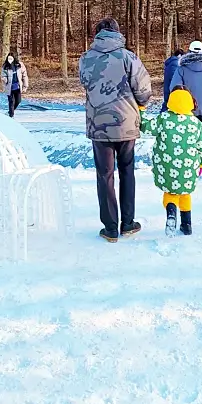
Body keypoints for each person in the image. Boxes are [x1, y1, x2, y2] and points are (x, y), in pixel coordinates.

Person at [79, 17, 152, 242]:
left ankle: (110, 228)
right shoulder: (129, 57)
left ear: (97, 34)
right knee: (127, 171)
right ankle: (128, 223)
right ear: (117, 33)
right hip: (126, 122)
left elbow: (84, 82)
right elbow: (143, 89)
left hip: (98, 124)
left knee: (105, 175)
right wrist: (140, 104)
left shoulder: (85, 58)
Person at [141, 87, 202, 236]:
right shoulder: (196, 124)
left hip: (166, 166)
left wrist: (141, 111)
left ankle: (171, 213)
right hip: (188, 167)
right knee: (185, 194)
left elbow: (145, 126)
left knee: (170, 192)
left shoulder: (163, 119)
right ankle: (187, 224)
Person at [169, 39, 202, 177]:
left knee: (187, 141)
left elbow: (174, 89)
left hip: (187, 112)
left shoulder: (181, 69)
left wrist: (182, 105)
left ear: (189, 52)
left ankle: (189, 169)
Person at [1, 52, 28, 117]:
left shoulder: (20, 65)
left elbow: (25, 76)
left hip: (18, 87)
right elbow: (3, 75)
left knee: (18, 101)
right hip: (9, 87)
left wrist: (25, 86)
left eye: (11, 58)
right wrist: (5, 79)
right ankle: (11, 115)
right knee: (11, 101)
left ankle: (10, 112)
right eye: (8, 58)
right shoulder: (5, 66)